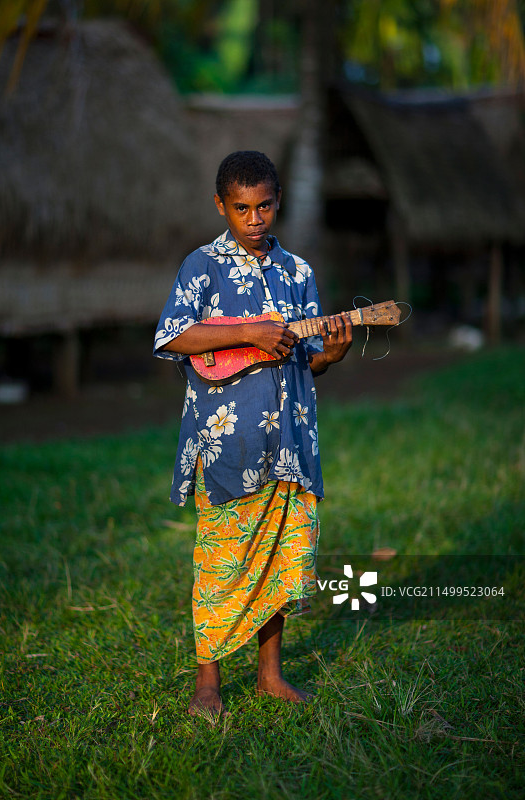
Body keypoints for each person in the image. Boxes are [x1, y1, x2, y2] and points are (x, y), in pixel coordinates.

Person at [153, 151, 352, 716]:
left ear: (278, 201)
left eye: (264, 206)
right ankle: (208, 684)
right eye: (242, 208)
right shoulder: (201, 266)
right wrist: (249, 332)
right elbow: (171, 336)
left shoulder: (299, 273)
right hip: (226, 445)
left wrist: (331, 355)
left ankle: (270, 674)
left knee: (277, 559)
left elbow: (309, 359)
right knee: (221, 560)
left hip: (289, 440)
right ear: (221, 206)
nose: (255, 218)